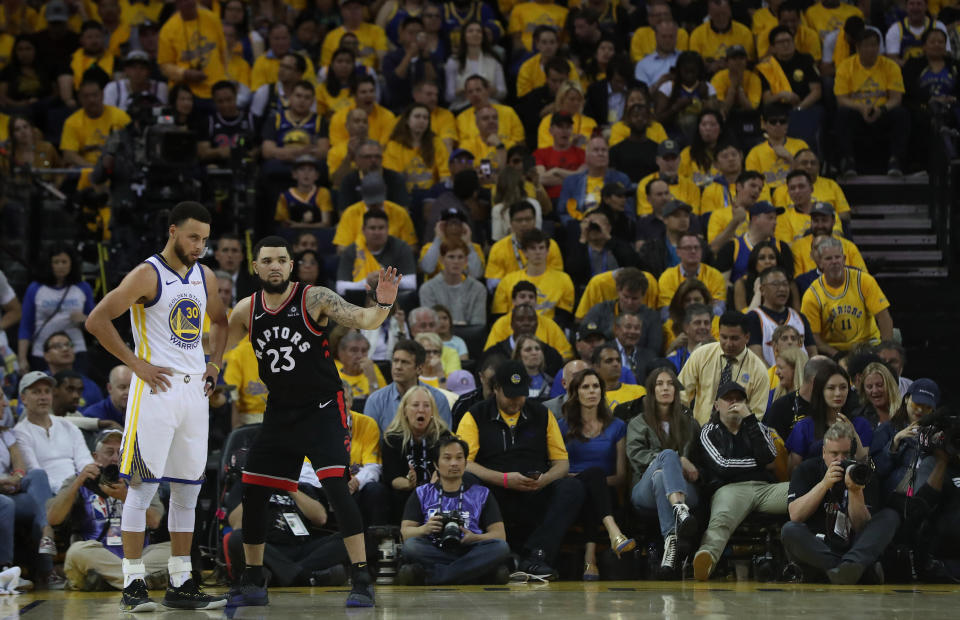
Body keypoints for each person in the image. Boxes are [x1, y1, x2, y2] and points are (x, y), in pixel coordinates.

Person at [220, 235, 402, 608]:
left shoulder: (313, 298)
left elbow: (365, 319)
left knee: (336, 486)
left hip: (322, 408)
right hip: (280, 413)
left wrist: (383, 300)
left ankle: (361, 576)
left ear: (290, 266)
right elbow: (217, 343)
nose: (274, 266)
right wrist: (204, 367)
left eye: (281, 260)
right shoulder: (244, 310)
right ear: (255, 267)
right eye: (267, 260)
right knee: (254, 491)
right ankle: (254, 577)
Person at [82, 202, 228, 611]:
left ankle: (181, 582)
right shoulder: (147, 274)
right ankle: (133, 584)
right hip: (156, 392)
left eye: (204, 238)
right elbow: (97, 319)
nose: (200, 245)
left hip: (194, 395)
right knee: (143, 487)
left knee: (187, 491)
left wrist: (215, 363)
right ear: (173, 231)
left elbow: (220, 321)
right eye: (193, 237)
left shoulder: (206, 276)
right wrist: (136, 364)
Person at [455, 361, 585, 580]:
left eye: (521, 394)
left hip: (534, 490)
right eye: (510, 395)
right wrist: (504, 479)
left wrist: (545, 480)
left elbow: (562, 463)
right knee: (467, 481)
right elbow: (464, 463)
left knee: (572, 486)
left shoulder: (542, 414)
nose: (516, 401)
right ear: (495, 389)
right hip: (494, 494)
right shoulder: (474, 415)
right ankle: (487, 556)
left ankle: (537, 556)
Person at [46, 429, 171, 592]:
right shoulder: (78, 479)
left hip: (137, 557)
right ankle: (142, 580)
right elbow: (53, 518)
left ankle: (113, 581)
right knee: (76, 551)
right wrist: (78, 483)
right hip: (96, 557)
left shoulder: (140, 482)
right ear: (95, 457)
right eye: (109, 452)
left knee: (177, 549)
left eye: (121, 453)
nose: (114, 458)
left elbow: (154, 521)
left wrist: (127, 497)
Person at [688, 381, 788, 580]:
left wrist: (750, 419)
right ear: (717, 405)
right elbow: (723, 466)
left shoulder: (757, 426)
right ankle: (706, 557)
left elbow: (769, 456)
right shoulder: (709, 431)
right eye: (728, 399)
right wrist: (757, 464)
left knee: (801, 493)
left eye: (739, 399)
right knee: (721, 522)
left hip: (765, 489)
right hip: (730, 489)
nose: (734, 403)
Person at [782, 421, 900, 584]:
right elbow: (796, 515)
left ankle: (846, 568)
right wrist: (824, 484)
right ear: (824, 452)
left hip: (855, 545)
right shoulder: (806, 470)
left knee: (890, 516)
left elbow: (863, 526)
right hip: (820, 547)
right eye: (834, 454)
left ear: (852, 453)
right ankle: (849, 569)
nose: (840, 459)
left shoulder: (863, 474)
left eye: (845, 454)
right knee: (789, 530)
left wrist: (855, 491)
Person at [397, 435, 510, 585]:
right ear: (436, 465)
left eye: (459, 458)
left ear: (465, 462)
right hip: (435, 549)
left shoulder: (482, 493)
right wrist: (425, 529)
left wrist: (475, 538)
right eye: (447, 458)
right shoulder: (421, 493)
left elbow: (500, 535)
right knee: (411, 547)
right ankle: (475, 574)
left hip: (470, 549)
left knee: (501, 548)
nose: (454, 463)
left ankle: (433, 577)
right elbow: (405, 533)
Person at [556, 369, 634, 580]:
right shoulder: (562, 427)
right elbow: (557, 470)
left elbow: (620, 476)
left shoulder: (617, 426)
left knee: (595, 479)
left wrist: (592, 481)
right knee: (591, 480)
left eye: (596, 386)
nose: (592, 391)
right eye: (585, 387)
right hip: (573, 493)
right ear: (575, 392)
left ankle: (590, 559)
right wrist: (584, 480)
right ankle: (613, 534)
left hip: (606, 495)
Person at [626, 367, 700, 576]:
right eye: (659, 384)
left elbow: (700, 462)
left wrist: (689, 466)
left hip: (686, 490)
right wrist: (676, 459)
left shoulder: (689, 424)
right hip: (644, 490)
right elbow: (636, 458)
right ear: (651, 391)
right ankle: (680, 511)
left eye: (670, 384)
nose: (666, 388)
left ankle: (670, 541)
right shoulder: (638, 423)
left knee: (661, 477)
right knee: (666, 457)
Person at [834, 29, 909, 177]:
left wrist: (881, 109)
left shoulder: (890, 66)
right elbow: (841, 99)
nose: (871, 49)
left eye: (874, 45)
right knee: (842, 113)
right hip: (858, 113)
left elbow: (896, 98)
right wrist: (862, 108)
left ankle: (895, 161)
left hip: (882, 112)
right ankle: (848, 161)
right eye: (866, 45)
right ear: (858, 47)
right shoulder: (845, 66)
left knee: (902, 114)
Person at [801, 241, 894, 357]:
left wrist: (884, 350)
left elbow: (884, 317)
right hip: (832, 352)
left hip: (868, 346)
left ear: (844, 259)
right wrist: (838, 355)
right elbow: (814, 337)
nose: (834, 261)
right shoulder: (812, 294)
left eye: (837, 257)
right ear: (820, 263)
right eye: (828, 258)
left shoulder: (863, 281)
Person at [679, 312, 771, 424]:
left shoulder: (759, 371)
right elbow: (681, 394)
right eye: (724, 337)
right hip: (698, 432)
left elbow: (755, 417)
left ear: (747, 337)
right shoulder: (701, 355)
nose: (728, 343)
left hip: (737, 436)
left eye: (734, 338)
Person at [17, 244, 95, 374]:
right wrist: (22, 358)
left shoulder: (83, 287)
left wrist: (85, 320)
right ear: (49, 264)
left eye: (64, 262)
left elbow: (95, 324)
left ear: (72, 264)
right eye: (56, 262)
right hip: (42, 351)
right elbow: (26, 326)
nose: (61, 266)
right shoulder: (35, 288)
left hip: (75, 350)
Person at [381, 384, 452, 518]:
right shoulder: (392, 438)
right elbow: (392, 478)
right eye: (415, 405)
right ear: (405, 410)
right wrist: (408, 484)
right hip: (405, 495)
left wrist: (440, 480)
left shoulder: (444, 437)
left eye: (426, 405)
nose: (421, 410)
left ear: (432, 411)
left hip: (439, 492)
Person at [785, 366, 873, 470]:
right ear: (820, 391)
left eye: (843, 387)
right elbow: (793, 472)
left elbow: (864, 463)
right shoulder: (803, 427)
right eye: (831, 388)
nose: (838, 393)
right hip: (814, 484)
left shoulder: (861, 424)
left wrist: (853, 433)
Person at [869, 378, 939, 501]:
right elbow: (876, 470)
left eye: (927, 407)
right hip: (895, 497)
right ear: (906, 399)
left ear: (933, 410)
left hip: (926, 499)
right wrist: (895, 443)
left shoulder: (938, 433)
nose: (920, 410)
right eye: (916, 404)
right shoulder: (888, 428)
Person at [364, 339, 454, 434]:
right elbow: (369, 442)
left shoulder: (438, 399)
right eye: (395, 361)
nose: (398, 367)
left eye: (405, 362)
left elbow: (445, 440)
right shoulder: (376, 400)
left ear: (419, 369)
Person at [491, 230, 574, 326]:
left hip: (549, 333)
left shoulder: (563, 280)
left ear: (547, 251)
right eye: (533, 248)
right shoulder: (507, 281)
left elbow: (563, 317)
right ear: (524, 252)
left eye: (541, 248)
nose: (538, 252)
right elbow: (499, 316)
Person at [745, 266, 818, 366]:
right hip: (770, 379)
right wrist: (774, 378)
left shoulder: (800, 317)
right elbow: (756, 357)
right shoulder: (754, 318)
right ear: (762, 290)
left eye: (785, 284)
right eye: (775, 284)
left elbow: (813, 353)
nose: (782, 289)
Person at [157, 0, 227, 101]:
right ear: (177, 4)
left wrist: (225, 77)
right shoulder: (167, 30)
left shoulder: (212, 18)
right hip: (187, 94)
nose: (188, 2)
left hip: (216, 89)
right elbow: (164, 65)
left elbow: (223, 51)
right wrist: (184, 74)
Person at [335, 210, 418, 296]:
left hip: (393, 300)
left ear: (387, 229)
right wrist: (367, 282)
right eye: (372, 228)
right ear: (363, 230)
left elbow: (412, 284)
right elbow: (340, 288)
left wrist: (390, 280)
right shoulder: (352, 250)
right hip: (360, 301)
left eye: (381, 228)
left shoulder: (401, 247)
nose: (377, 232)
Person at [484, 201, 563, 290]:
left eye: (528, 219)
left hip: (545, 294)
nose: (524, 224)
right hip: (511, 296)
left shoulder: (550, 245)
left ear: (535, 220)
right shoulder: (498, 248)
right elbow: (493, 284)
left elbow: (556, 277)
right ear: (510, 222)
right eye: (519, 220)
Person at [556, 136, 630, 223]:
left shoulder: (621, 179)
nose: (600, 153)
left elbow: (628, 212)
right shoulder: (571, 182)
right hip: (579, 225)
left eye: (604, 150)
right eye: (596, 150)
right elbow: (563, 212)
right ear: (586, 156)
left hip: (612, 225)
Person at [566, 208, 642, 291]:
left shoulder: (618, 246)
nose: (594, 227)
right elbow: (572, 271)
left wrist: (608, 237)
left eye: (601, 223)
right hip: (587, 292)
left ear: (609, 227)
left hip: (616, 291)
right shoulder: (579, 248)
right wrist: (583, 237)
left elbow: (632, 263)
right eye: (591, 224)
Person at [383, 103, 450, 196]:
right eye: (417, 116)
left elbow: (445, 174)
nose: (421, 121)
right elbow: (393, 177)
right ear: (407, 120)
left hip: (432, 195)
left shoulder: (436, 143)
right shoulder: (394, 145)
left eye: (425, 118)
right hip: (404, 195)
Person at [418, 241, 487, 326]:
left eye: (460, 257)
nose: (456, 261)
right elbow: (430, 325)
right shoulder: (428, 289)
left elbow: (478, 325)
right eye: (451, 257)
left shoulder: (478, 289)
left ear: (466, 261)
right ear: (442, 260)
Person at [656, 234, 726, 317]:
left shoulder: (714, 275)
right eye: (688, 248)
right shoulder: (667, 277)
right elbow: (666, 312)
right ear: (678, 252)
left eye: (696, 248)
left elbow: (719, 310)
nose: (693, 251)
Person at [654, 51, 717, 140]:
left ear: (699, 70)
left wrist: (705, 99)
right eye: (686, 71)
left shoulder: (707, 87)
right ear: (679, 70)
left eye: (693, 71)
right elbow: (658, 120)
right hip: (673, 136)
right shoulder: (668, 87)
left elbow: (717, 118)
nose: (689, 75)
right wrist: (675, 108)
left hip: (700, 137)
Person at [745, 103, 808, 190]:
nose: (778, 125)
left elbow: (809, 175)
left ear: (787, 124)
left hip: (796, 190)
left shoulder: (801, 145)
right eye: (773, 121)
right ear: (764, 124)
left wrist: (789, 158)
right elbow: (752, 184)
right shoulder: (755, 153)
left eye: (782, 121)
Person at [445, 21, 506, 110]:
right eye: (470, 31)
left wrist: (491, 90)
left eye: (478, 31)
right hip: (462, 107)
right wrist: (463, 91)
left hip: (490, 107)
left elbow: (502, 92)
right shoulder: (453, 62)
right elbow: (448, 96)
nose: (475, 34)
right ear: (464, 36)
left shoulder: (493, 61)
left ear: (483, 36)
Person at [636, 139, 702, 217]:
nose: (670, 164)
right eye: (666, 158)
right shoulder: (645, 184)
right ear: (657, 160)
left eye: (673, 158)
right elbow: (645, 217)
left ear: (680, 159)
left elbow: (693, 217)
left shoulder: (691, 187)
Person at [689, 0, 756, 74]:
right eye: (717, 14)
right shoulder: (697, 35)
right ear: (709, 12)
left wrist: (729, 65)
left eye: (723, 13)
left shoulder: (744, 32)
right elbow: (694, 65)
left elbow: (749, 63)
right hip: (708, 79)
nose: (721, 18)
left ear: (730, 11)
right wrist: (711, 66)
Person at [533, 112, 587, 202]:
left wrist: (556, 171)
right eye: (560, 127)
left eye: (568, 127)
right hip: (549, 203)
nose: (564, 131)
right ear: (551, 130)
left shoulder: (582, 153)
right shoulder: (539, 153)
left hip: (575, 201)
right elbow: (540, 179)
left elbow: (583, 178)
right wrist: (572, 178)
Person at [732, 241, 795, 313]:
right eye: (762, 258)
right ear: (754, 262)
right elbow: (743, 318)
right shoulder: (741, 283)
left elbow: (797, 316)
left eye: (772, 258)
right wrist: (758, 293)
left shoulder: (789, 283)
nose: (767, 261)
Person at [274, 155, 333, 229]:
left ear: (316, 175)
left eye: (310, 169)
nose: (306, 173)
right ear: (294, 174)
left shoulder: (323, 192)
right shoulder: (285, 196)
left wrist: (300, 225)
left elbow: (326, 224)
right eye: (302, 169)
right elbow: (284, 225)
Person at [592, 344, 647, 410]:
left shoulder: (639, 392)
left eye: (618, 360)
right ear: (596, 367)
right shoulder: (592, 396)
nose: (616, 364)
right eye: (609, 361)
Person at [666, 303, 714, 373]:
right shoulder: (674, 358)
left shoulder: (719, 355)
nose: (703, 327)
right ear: (686, 327)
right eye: (697, 323)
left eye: (706, 323)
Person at [853, 362, 901, 428]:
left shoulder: (905, 411)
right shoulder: (858, 417)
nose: (875, 390)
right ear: (864, 390)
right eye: (869, 387)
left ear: (890, 385)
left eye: (879, 385)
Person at [511, 336, 552, 401]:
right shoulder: (511, 380)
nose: (534, 353)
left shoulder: (550, 382)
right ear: (518, 355)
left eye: (537, 349)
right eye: (528, 349)